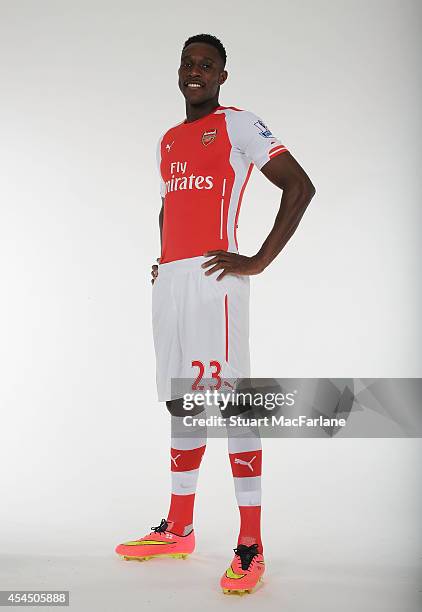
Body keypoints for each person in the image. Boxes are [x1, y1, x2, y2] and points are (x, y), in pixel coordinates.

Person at [116, 33, 315, 595]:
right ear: (178, 72)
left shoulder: (239, 123)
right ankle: (179, 528)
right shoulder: (169, 140)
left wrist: (256, 261)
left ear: (223, 75)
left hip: (214, 281)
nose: (195, 70)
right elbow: (167, 204)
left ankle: (250, 545)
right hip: (172, 282)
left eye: (207, 64)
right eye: (188, 63)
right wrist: (162, 260)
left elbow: (299, 187)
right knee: (184, 399)